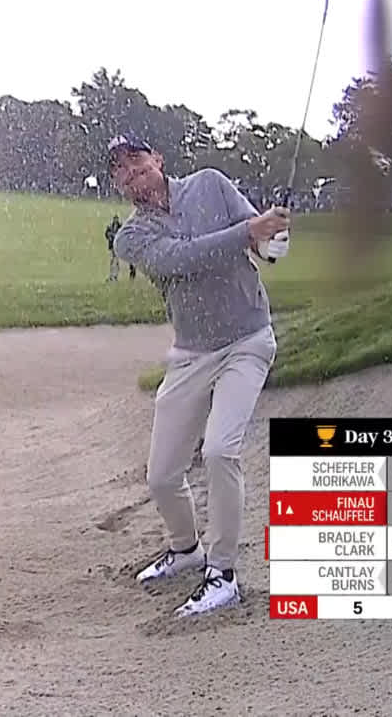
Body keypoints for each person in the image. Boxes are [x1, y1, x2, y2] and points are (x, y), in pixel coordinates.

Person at [107, 132, 291, 617]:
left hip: (248, 341)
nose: (132, 174)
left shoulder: (210, 183)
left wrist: (273, 239)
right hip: (191, 353)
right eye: (121, 170)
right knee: (163, 475)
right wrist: (250, 231)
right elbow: (182, 259)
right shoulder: (132, 237)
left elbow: (264, 242)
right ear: (117, 184)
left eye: (137, 162)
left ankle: (223, 573)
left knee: (219, 449)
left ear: (158, 159)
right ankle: (187, 550)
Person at [104, 215, 135, 282]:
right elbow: (106, 234)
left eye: (116, 219)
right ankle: (112, 275)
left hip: (117, 247)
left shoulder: (120, 227)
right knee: (113, 261)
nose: (116, 220)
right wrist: (109, 235)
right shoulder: (110, 226)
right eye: (115, 219)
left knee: (116, 261)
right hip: (112, 246)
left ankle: (115, 275)